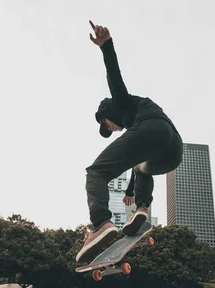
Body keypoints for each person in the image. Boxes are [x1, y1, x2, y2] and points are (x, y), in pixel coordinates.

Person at [76, 21, 183, 263]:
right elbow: (138, 160)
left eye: (107, 124)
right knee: (140, 166)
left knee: (95, 172)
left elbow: (114, 76)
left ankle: (101, 224)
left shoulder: (122, 103)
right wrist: (129, 191)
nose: (111, 128)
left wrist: (106, 46)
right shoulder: (139, 110)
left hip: (150, 128)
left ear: (109, 112)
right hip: (173, 149)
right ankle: (142, 208)